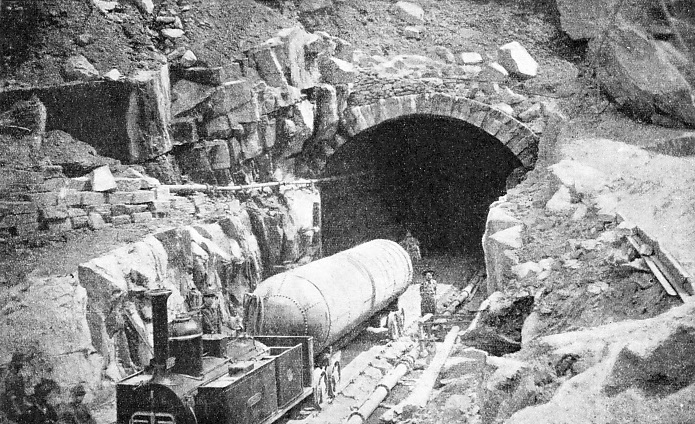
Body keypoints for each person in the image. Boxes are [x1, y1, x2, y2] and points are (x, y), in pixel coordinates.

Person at [1, 353, 27, 422]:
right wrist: (18, 410)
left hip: (18, 401)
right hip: (12, 406)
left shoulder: (18, 374)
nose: (22, 365)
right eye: (20, 364)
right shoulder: (9, 376)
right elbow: (11, 395)